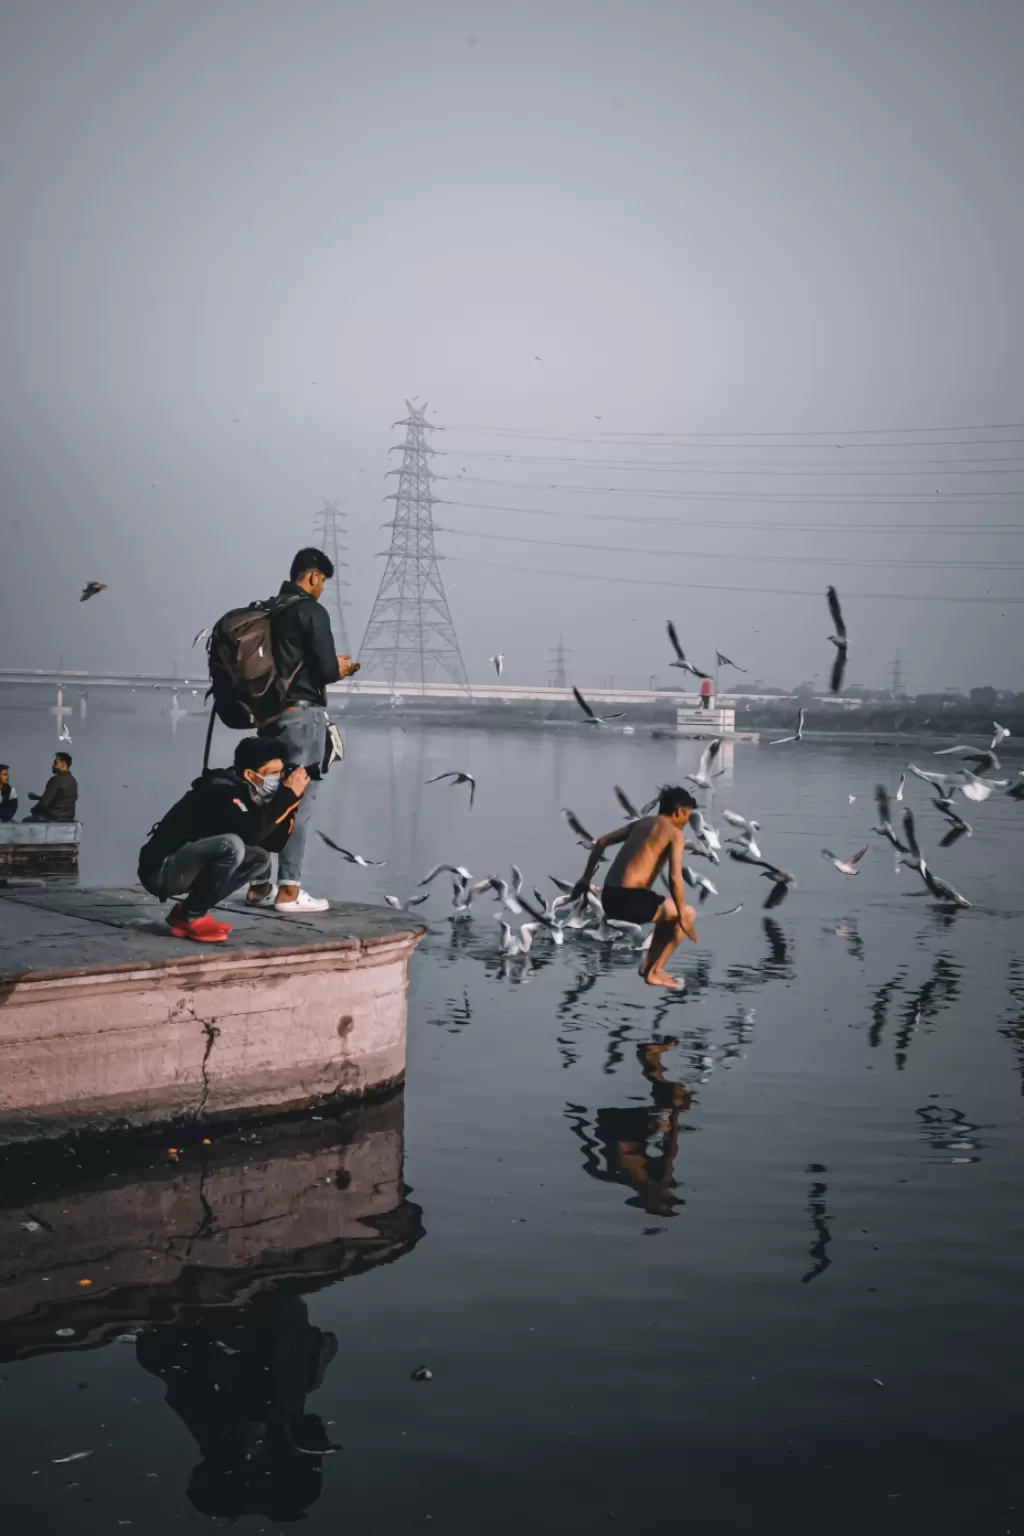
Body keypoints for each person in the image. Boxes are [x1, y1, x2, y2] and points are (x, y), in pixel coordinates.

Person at [247, 547, 360, 915]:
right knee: (299, 799)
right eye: (322, 581)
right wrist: (341, 667)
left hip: (268, 718)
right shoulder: (311, 611)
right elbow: (326, 669)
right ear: (312, 576)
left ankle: (258, 883)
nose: (322, 588)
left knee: (265, 796)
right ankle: (289, 890)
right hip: (302, 717)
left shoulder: (270, 609)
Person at [138, 737, 309, 943]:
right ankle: (193, 915)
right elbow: (253, 833)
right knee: (232, 845)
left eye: (281, 773)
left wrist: (292, 800)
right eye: (273, 773)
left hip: (185, 866)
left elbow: (273, 844)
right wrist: (287, 795)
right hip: (161, 869)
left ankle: (187, 912)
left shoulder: (249, 792)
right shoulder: (222, 790)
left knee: (260, 858)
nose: (279, 778)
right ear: (249, 775)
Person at [571, 785, 698, 989]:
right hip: (631, 901)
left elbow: (601, 842)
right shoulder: (674, 834)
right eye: (687, 816)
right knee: (688, 913)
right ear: (678, 811)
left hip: (610, 897)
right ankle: (655, 972)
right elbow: (675, 877)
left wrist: (585, 879)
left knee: (666, 909)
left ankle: (648, 965)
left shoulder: (640, 823)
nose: (686, 822)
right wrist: (683, 914)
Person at [24, 751, 78, 821]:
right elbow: (61, 799)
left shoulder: (56, 780)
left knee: (26, 821)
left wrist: (34, 810)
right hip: (68, 818)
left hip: (54, 817)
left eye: (55, 762)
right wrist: (38, 797)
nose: (53, 765)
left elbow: (45, 803)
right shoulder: (73, 781)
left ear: (63, 764)